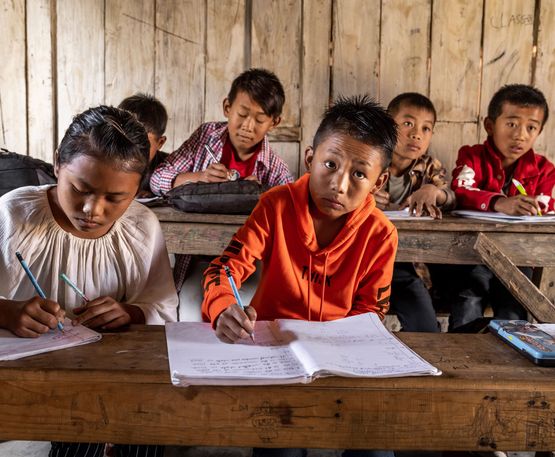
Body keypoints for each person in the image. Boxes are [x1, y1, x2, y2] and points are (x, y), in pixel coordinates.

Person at [202, 95, 397, 457]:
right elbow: (225, 269)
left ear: (379, 180)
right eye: (330, 164)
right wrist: (223, 306)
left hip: (343, 358)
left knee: (375, 443)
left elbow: (372, 311)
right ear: (309, 158)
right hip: (274, 354)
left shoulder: (381, 233)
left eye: (359, 173)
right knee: (282, 445)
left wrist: (334, 350)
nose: (339, 184)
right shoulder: (275, 205)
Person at [0, 105, 178, 457]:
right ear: (56, 165)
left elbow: (163, 306)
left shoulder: (141, 227)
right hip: (26, 378)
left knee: (148, 421)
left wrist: (132, 312)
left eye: (115, 198)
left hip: (110, 377)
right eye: (80, 189)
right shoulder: (13, 215)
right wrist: (6, 313)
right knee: (83, 424)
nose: (92, 210)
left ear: (137, 189)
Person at [150, 68, 294, 314]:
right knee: (190, 314)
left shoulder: (275, 169)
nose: (248, 126)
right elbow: (157, 178)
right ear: (227, 107)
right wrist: (199, 178)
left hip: (248, 265)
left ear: (274, 122)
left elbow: (292, 214)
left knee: (248, 314)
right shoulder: (207, 137)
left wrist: (256, 192)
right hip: (198, 260)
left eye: (260, 120)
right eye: (242, 114)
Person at [450, 84, 555, 330]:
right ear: (490, 125)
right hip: (471, 256)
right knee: (468, 302)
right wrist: (499, 202)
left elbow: (547, 203)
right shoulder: (471, 156)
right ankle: (463, 363)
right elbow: (461, 190)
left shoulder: (544, 169)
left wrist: (538, 206)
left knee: (513, 311)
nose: (520, 135)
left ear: (539, 132)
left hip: (518, 259)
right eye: (511, 124)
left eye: (531, 127)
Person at [374, 92, 455, 332]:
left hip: (407, 266)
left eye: (426, 128)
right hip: (365, 263)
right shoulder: (369, 160)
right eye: (407, 123)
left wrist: (434, 191)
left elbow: (451, 197)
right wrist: (363, 198)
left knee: (427, 329)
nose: (416, 134)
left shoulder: (429, 166)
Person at [118, 92, 168, 198]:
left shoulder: (171, 167)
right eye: (125, 139)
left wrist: (157, 195)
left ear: (160, 142)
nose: (132, 148)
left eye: (143, 143)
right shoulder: (103, 162)